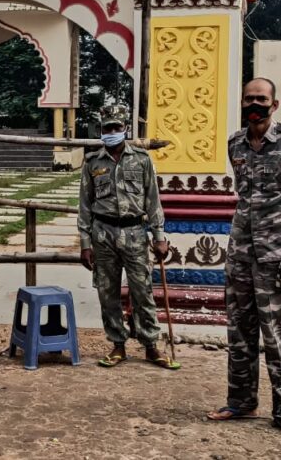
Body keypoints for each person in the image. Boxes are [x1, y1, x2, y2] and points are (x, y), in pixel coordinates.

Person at [207, 77, 281, 438]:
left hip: (278, 254)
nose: (254, 104)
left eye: (261, 98)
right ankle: (241, 401)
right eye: (248, 99)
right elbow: (243, 192)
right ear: (242, 103)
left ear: (275, 104)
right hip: (241, 251)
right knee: (239, 330)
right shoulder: (235, 143)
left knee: (277, 334)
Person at [78, 104, 178, 370]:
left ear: (125, 129)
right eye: (107, 128)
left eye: (116, 127)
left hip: (135, 233)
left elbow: (153, 200)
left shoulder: (142, 160)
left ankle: (150, 346)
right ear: (101, 130)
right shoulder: (92, 162)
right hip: (103, 234)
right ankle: (117, 345)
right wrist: (85, 244)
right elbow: (85, 205)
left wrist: (159, 236)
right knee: (107, 292)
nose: (112, 132)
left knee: (142, 291)